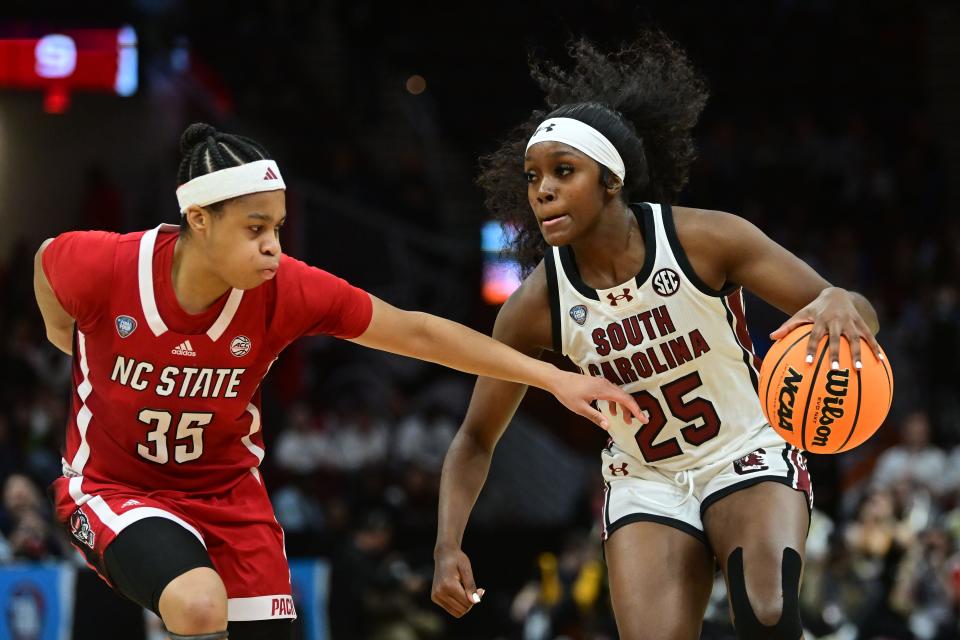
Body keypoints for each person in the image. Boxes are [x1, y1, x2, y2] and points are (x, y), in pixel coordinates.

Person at [32, 123, 642, 640]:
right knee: (197, 603)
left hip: (228, 495)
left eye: (277, 227)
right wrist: (67, 338)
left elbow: (417, 332)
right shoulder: (107, 264)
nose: (274, 247)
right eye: (255, 230)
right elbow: (46, 262)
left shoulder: (285, 288)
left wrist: (551, 379)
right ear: (199, 220)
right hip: (115, 485)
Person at [430, 32, 883, 640]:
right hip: (644, 478)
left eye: (564, 172)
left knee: (768, 617)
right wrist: (447, 543)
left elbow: (856, 314)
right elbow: (476, 439)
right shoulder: (535, 306)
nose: (542, 190)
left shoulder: (708, 239)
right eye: (534, 177)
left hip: (743, 452)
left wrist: (837, 301)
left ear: (611, 181)